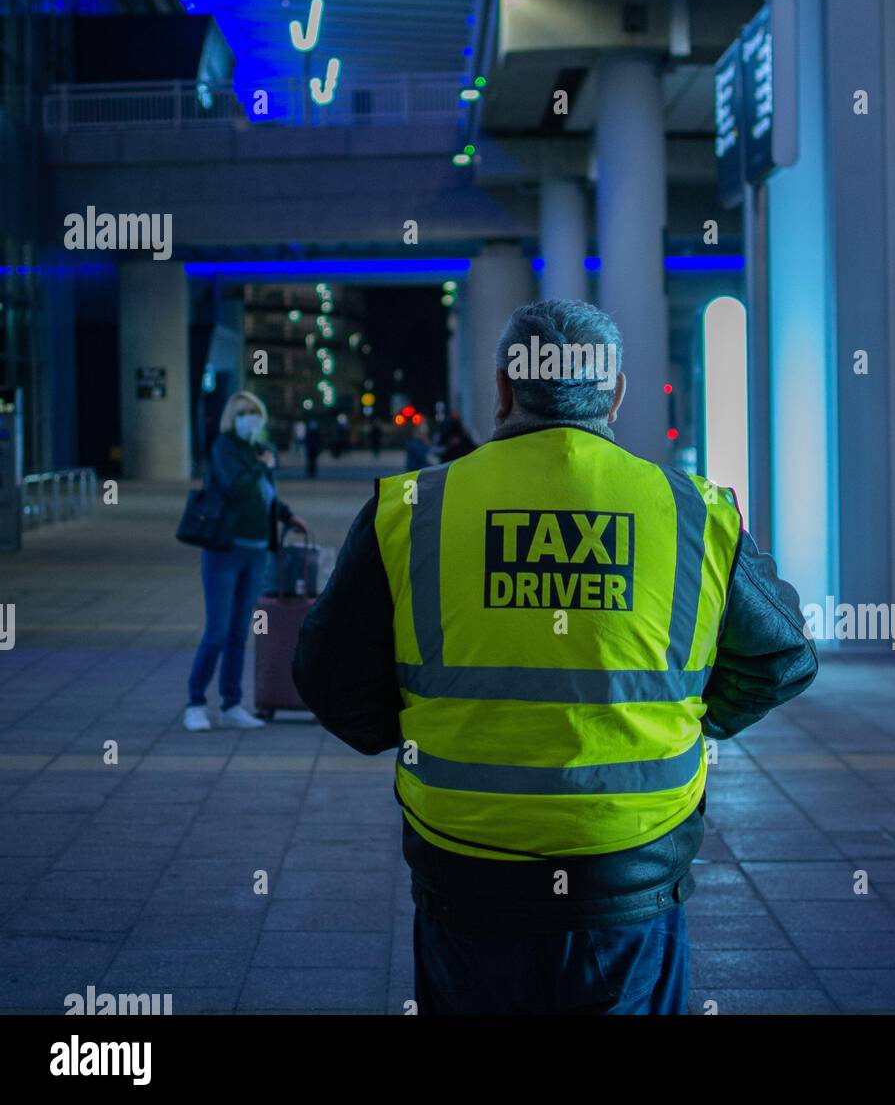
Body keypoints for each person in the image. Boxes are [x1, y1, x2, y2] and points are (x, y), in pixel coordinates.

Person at [293, 299, 816, 1015]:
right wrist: (686, 719)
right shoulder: (693, 510)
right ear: (617, 393)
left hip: (466, 864)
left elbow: (323, 674)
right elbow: (784, 658)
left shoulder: (412, 506)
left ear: (504, 390)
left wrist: (423, 732)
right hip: (630, 861)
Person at [185, 391, 307, 732]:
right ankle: (195, 702)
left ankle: (231, 703)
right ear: (232, 417)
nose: (251, 418)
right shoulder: (224, 447)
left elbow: (266, 496)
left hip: (257, 551)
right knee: (217, 631)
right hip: (225, 550)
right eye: (244, 412)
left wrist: (288, 516)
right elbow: (236, 487)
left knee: (240, 632)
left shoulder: (258, 450)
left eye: (256, 411)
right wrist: (260, 465)